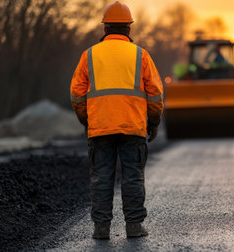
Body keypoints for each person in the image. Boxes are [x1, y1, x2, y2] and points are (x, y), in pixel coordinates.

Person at [70, 1, 163, 239]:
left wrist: (87, 121)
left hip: (100, 127)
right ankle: (134, 227)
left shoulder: (89, 55)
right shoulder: (141, 55)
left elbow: (77, 94)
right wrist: (152, 123)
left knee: (101, 178)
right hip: (132, 127)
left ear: (105, 29)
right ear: (129, 29)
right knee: (132, 177)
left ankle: (101, 229)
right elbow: (155, 95)